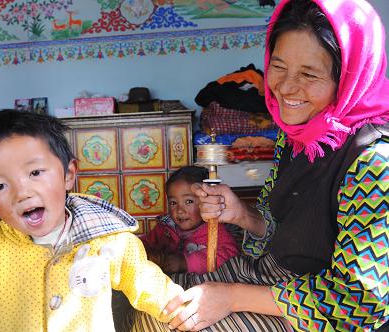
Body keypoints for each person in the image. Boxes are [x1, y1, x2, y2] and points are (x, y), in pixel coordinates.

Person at [133, 0, 388, 331]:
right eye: (278, 67)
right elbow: (279, 230)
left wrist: (231, 297)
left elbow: (360, 302)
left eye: (309, 74)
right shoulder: (294, 136)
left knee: (168, 325)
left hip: (308, 312)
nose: (286, 88)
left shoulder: (373, 161)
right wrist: (240, 213)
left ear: (350, 75)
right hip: (264, 273)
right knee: (153, 300)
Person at [0, 110, 184, 331]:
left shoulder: (105, 239)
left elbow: (148, 283)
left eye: (35, 173)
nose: (22, 192)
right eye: (0, 186)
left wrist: (181, 309)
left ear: (69, 175)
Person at [140, 166, 239, 274]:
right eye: (173, 203)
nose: (180, 210)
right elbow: (145, 243)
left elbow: (230, 255)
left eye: (188, 202)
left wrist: (185, 263)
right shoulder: (165, 228)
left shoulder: (214, 230)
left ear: (208, 201)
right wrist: (145, 251)